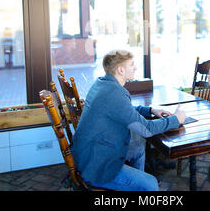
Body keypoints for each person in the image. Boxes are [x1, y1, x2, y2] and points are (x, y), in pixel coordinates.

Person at [71, 49, 186, 191]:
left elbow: (125, 110)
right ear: (120, 70)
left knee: (138, 145)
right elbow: (147, 129)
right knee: (151, 184)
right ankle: (142, 185)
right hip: (96, 167)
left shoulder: (102, 83)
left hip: (90, 153)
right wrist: (176, 119)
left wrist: (150, 110)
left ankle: (136, 184)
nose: (136, 67)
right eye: (132, 64)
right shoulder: (114, 92)